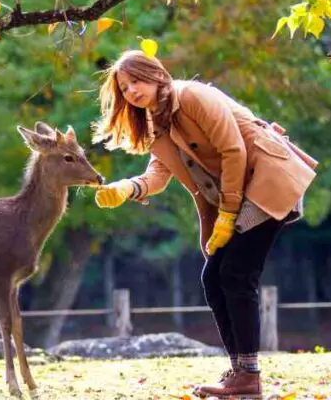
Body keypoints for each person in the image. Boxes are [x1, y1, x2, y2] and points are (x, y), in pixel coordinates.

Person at [91, 49, 318, 399]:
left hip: (266, 180)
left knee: (236, 276)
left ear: (154, 74)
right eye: (124, 88)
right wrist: (129, 188)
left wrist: (227, 215)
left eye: (135, 80)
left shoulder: (191, 96)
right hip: (238, 195)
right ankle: (240, 372)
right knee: (213, 278)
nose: (131, 91)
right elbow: (160, 172)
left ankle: (249, 375)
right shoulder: (157, 121)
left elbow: (234, 151)